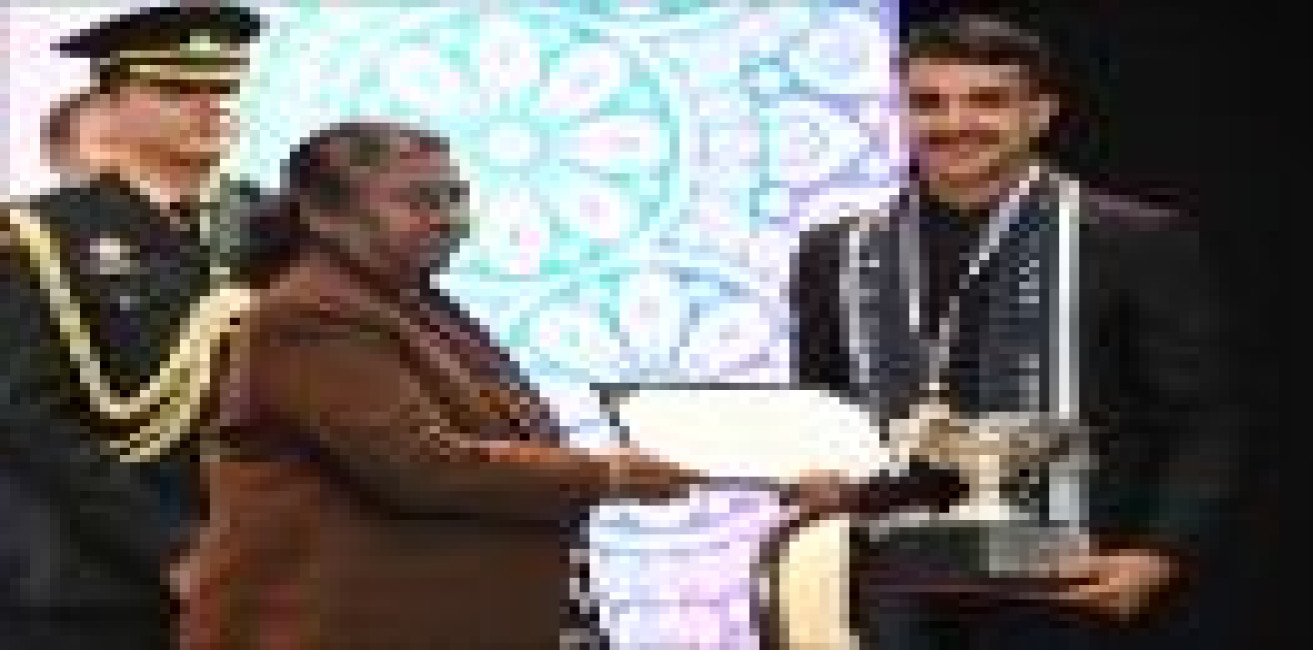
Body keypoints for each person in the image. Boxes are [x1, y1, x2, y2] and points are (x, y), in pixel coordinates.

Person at [178, 120, 984, 650]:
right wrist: (608, 476)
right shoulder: (312, 313)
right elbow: (420, 467)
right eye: (418, 200)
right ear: (323, 215)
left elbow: (498, 443)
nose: (449, 216)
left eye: (456, 195)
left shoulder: (403, 296)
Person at [789, 14, 1246, 650]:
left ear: (1040, 114)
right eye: (928, 103)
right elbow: (824, 411)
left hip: (1073, 587)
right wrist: (818, 472)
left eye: (987, 101)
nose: (955, 123)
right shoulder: (833, 253)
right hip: (890, 589)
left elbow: (1203, 419)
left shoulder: (1133, 241)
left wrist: (1158, 555)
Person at [0, 3, 265, 649]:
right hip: (94, 585)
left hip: (260, 570)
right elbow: (30, 417)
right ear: (111, 106)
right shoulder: (41, 237)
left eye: (222, 88)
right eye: (177, 90)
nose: (209, 107)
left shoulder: (273, 226)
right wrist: (172, 547)